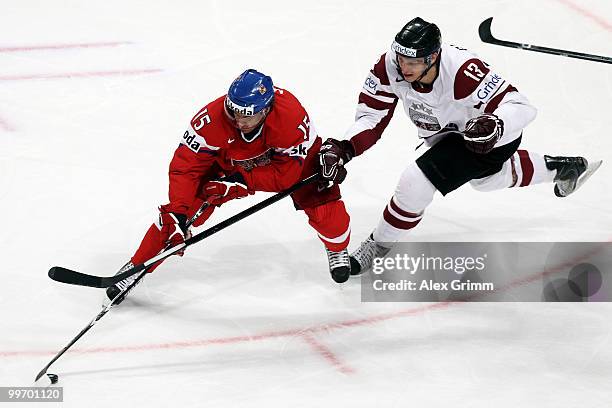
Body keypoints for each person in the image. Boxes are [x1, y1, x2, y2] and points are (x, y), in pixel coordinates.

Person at [317, 17, 602, 275]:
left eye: (413, 63)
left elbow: (521, 106)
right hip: (447, 135)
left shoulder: (463, 71)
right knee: (487, 181)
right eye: (401, 59)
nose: (404, 68)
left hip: (486, 137)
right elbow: (371, 116)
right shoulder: (389, 66)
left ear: (433, 57)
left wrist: (495, 124)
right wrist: (344, 147)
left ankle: (377, 246)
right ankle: (564, 169)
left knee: (415, 182)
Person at [106, 69, 352, 305]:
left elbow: (285, 176)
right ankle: (136, 268)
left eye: (247, 115)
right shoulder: (210, 120)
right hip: (229, 160)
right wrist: (179, 211)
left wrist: (241, 183)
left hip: (290, 163)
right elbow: (185, 166)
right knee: (174, 220)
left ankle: (337, 248)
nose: (238, 121)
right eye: (234, 112)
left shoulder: (291, 117)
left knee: (328, 214)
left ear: (266, 109)